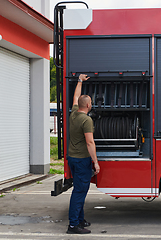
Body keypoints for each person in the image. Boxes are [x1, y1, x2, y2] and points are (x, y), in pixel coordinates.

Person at [66, 74, 100, 234]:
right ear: (87, 105)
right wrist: (96, 162)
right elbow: (90, 143)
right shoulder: (86, 121)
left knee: (79, 190)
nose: (92, 105)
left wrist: (79, 81)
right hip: (81, 160)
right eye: (91, 103)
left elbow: (75, 97)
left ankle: (80, 220)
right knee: (79, 192)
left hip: (72, 158)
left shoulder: (74, 113)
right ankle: (73, 225)